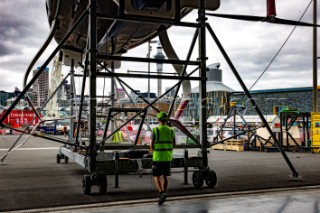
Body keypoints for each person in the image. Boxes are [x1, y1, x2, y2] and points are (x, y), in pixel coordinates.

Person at [150, 111, 176, 205]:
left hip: (157, 157)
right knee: (165, 176)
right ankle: (163, 194)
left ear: (158, 120)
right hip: (167, 157)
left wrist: (152, 151)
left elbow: (151, 145)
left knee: (156, 176)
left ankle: (162, 193)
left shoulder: (155, 130)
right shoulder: (171, 130)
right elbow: (174, 144)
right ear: (166, 120)